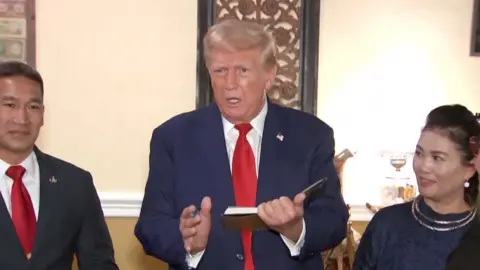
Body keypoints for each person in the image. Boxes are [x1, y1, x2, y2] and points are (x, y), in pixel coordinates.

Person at [135, 19, 348, 270]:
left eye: (243, 70)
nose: (230, 83)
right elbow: (150, 226)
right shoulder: (172, 138)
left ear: (270, 74)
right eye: (220, 71)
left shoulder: (312, 135)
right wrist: (187, 241)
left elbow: (334, 220)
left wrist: (296, 229)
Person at [0, 61, 118, 270]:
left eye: (33, 107)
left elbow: (98, 263)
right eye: (10, 105)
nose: (22, 118)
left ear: (43, 115)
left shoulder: (75, 184)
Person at [353, 104, 480, 270]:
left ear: (469, 169)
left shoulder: (474, 236)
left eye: (437, 158)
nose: (423, 166)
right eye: (419, 153)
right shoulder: (386, 224)